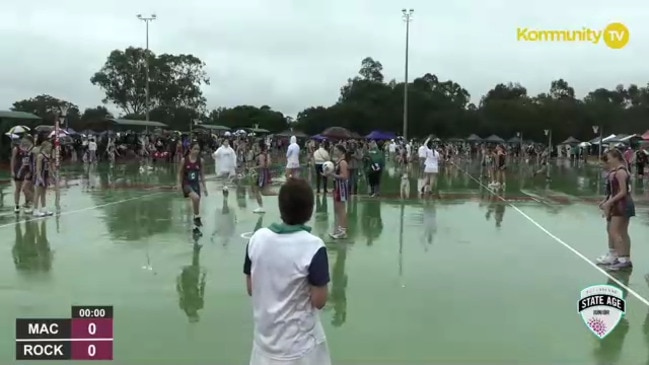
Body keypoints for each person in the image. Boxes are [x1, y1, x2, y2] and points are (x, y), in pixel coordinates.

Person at [244, 178, 331, 365]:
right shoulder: (314, 247)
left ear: (280, 206)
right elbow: (319, 301)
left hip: (263, 345)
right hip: (300, 348)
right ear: (310, 210)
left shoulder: (256, 239)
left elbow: (252, 287)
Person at [600, 148, 635, 271]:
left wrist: (609, 202)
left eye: (609, 157)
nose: (607, 160)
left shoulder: (621, 172)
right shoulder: (619, 171)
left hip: (622, 204)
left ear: (616, 157)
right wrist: (606, 200)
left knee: (615, 231)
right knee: (622, 232)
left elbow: (623, 191)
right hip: (622, 203)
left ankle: (622, 259)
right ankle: (623, 258)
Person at [178, 142, 208, 236]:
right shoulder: (184, 160)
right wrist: (179, 184)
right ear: (190, 149)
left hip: (196, 184)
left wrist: (205, 187)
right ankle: (197, 218)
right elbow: (180, 173)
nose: (196, 151)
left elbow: (202, 175)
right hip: (186, 184)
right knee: (196, 198)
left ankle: (196, 228)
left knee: (197, 204)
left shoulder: (201, 161)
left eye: (198, 149)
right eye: (195, 149)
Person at [326, 144, 350, 239]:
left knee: (341, 209)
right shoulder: (338, 161)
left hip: (342, 187)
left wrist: (332, 174)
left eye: (336, 150)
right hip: (337, 186)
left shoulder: (343, 162)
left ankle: (343, 230)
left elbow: (344, 176)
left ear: (341, 151)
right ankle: (340, 228)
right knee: (338, 209)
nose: (334, 152)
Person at [11, 136, 34, 214]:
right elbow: (13, 160)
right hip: (18, 171)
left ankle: (28, 203)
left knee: (27, 188)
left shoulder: (29, 149)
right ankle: (17, 205)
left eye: (26, 140)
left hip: (27, 171)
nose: (24, 141)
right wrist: (12, 171)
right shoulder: (16, 149)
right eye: (23, 140)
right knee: (18, 188)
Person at [32, 139, 53, 217]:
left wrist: (51, 175)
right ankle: (35, 210)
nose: (50, 149)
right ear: (45, 147)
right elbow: (38, 168)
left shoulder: (48, 155)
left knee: (43, 193)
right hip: (40, 176)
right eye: (49, 147)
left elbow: (49, 166)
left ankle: (44, 208)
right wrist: (39, 177)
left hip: (45, 176)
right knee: (37, 194)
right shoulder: (40, 156)